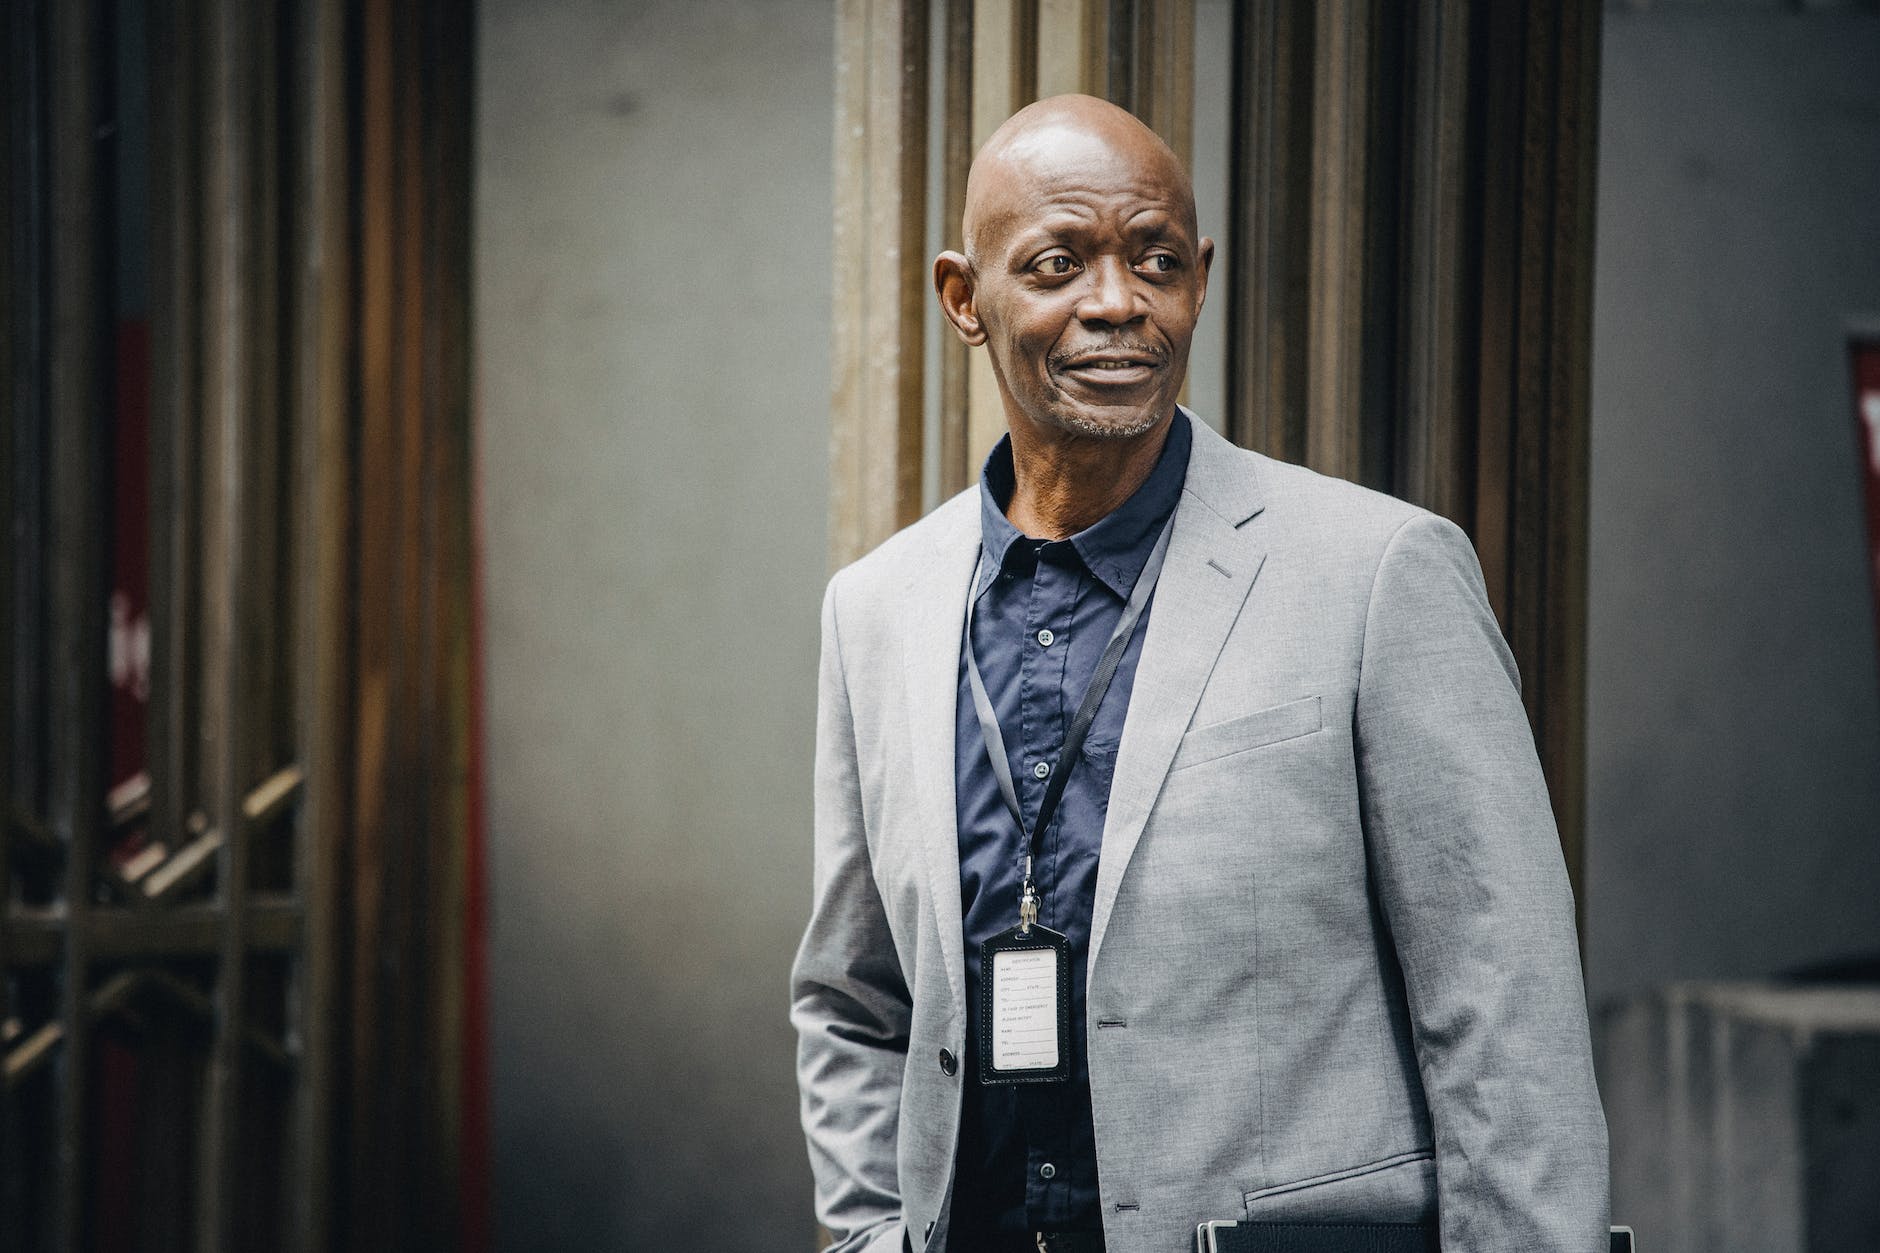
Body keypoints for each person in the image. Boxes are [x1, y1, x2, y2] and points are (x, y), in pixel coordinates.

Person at [791, 94, 1608, 1253]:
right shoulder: (875, 608)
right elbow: (851, 998)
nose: (1115, 303)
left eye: (1155, 259)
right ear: (962, 299)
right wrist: (873, 1233)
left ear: (1201, 278)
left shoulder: (1377, 572)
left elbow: (1504, 1003)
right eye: (1058, 263)